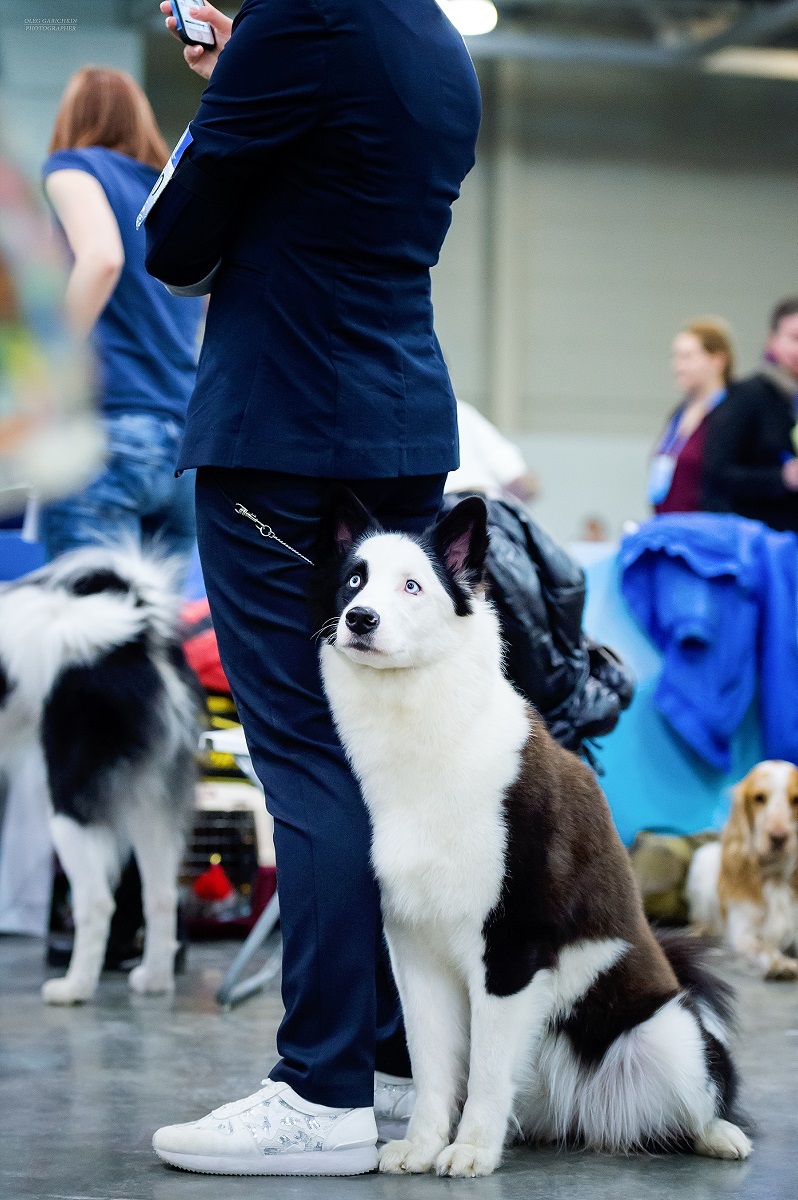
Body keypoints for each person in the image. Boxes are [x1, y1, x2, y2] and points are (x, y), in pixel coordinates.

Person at [145, 0, 481, 1177]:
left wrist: (223, 88)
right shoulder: (437, 38)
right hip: (397, 424)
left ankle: (321, 1088)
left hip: (283, 426)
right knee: (381, 758)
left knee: (308, 754)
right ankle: (393, 1067)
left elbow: (175, 245)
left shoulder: (299, 18)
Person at [40, 67, 204, 570]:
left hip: (108, 434)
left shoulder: (71, 169)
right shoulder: (169, 195)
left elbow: (101, 259)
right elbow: (209, 297)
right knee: (148, 639)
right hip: (183, 446)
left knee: (90, 630)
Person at [703, 296, 798, 532]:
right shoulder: (747, 396)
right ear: (772, 340)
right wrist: (781, 478)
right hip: (752, 540)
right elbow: (717, 473)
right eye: (794, 338)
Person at [648, 319, 733, 516]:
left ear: (717, 361)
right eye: (675, 357)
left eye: (687, 357)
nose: (677, 366)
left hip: (707, 531)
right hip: (669, 526)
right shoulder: (678, 414)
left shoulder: (730, 414)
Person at [445, 399, 539, 501]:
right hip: (483, 504)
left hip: (459, 505)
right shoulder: (458, 410)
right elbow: (523, 482)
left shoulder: (460, 410)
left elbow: (522, 481)